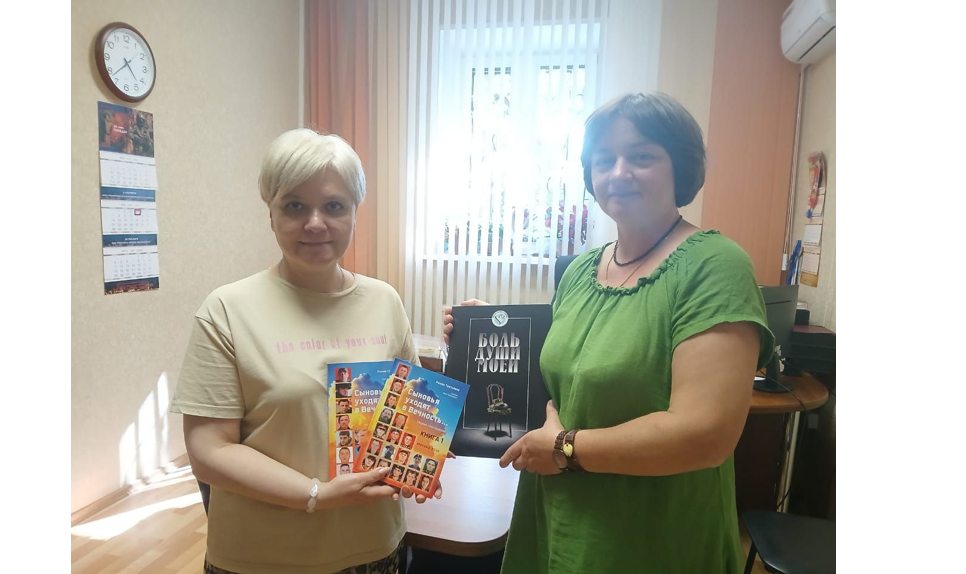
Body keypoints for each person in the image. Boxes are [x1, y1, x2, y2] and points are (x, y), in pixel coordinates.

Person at [441, 93, 774, 573]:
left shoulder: (715, 267)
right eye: (604, 159)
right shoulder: (579, 271)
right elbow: (566, 377)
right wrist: (484, 335)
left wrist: (564, 449)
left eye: (641, 156)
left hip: (651, 538)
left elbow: (705, 434)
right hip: (557, 522)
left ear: (679, 166)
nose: (619, 172)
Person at [171, 128, 435, 574]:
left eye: (334, 206)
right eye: (295, 206)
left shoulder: (384, 301)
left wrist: (422, 454)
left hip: (373, 546)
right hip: (261, 558)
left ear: (354, 213)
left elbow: (407, 414)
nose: (315, 223)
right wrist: (317, 494)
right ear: (271, 214)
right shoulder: (227, 310)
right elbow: (208, 449)